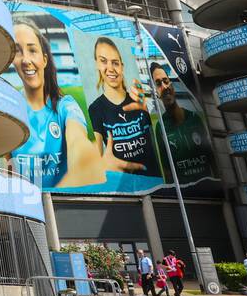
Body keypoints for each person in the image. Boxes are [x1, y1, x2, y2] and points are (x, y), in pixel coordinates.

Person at [9, 19, 106, 189]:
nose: (25, 59)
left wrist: (86, 157)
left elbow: (79, 142)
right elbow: (8, 172)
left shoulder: (66, 107)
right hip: (26, 212)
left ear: (45, 60)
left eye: (32, 50)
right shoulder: (10, 110)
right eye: (18, 51)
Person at [87, 38, 163, 179]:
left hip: (156, 183)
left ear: (122, 66)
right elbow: (95, 161)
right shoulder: (95, 108)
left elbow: (162, 141)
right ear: (97, 64)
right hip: (125, 188)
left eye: (115, 63)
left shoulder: (139, 101)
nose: (110, 68)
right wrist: (102, 165)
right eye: (103, 61)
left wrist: (147, 110)